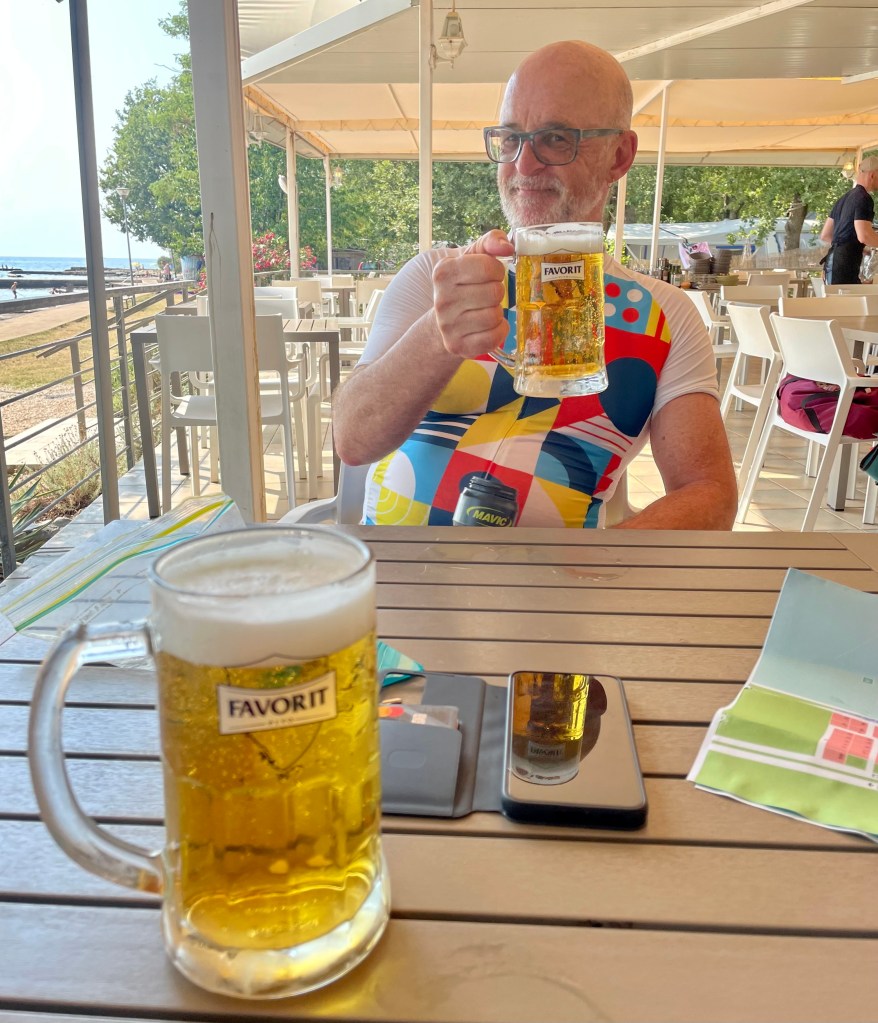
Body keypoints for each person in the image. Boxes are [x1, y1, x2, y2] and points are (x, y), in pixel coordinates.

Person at [333, 40, 737, 529]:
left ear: (619, 155)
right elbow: (352, 441)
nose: (523, 165)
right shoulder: (436, 275)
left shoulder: (664, 315)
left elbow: (711, 495)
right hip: (399, 568)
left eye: (556, 139)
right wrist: (438, 335)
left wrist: (588, 566)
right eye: (510, 139)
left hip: (557, 577)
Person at [819, 156, 878, 284]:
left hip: (832, 263)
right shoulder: (864, 198)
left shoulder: (844, 198)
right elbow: (864, 235)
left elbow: (826, 235)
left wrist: (855, 247)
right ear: (873, 175)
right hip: (845, 266)